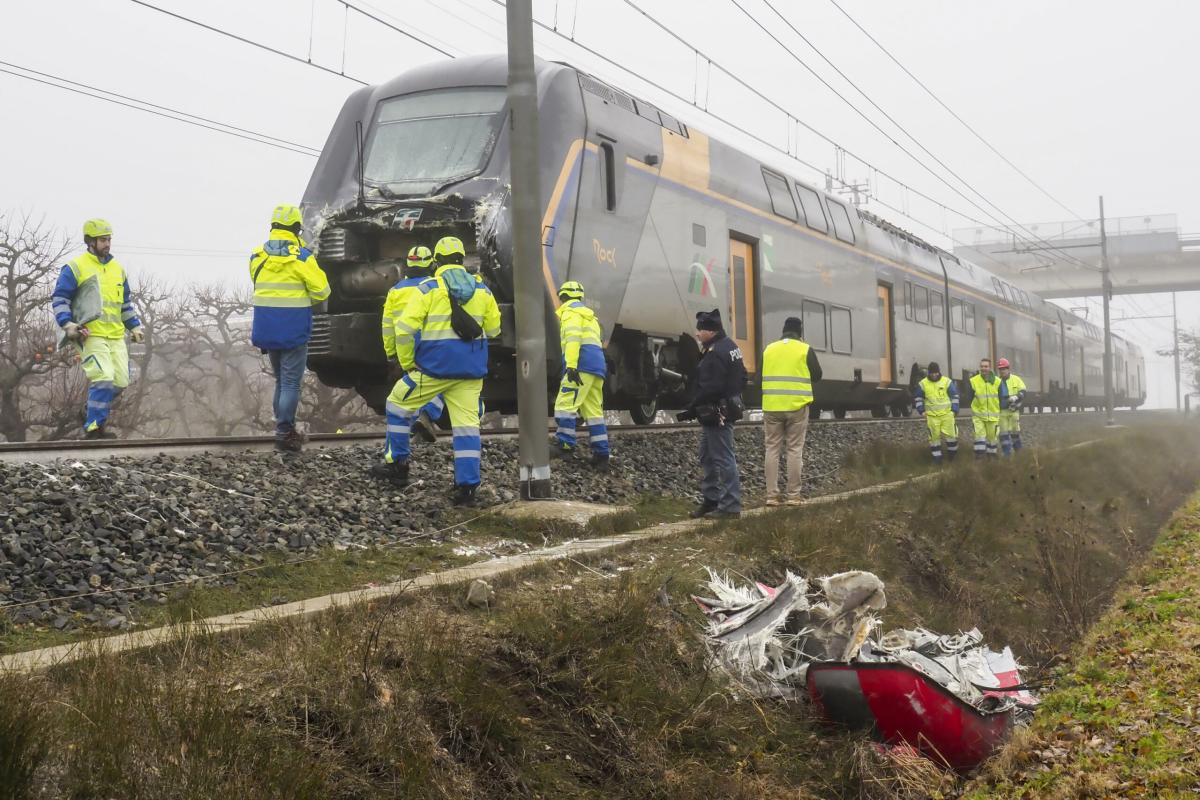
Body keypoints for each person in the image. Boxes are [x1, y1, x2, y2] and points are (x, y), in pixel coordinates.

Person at [370, 236, 501, 506]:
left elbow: (405, 330)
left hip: (432, 371)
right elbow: (495, 330)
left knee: (396, 405)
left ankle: (398, 466)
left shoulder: (429, 289)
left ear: (437, 261)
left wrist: (407, 363)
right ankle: (466, 490)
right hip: (470, 373)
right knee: (467, 428)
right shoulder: (483, 290)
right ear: (461, 259)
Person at [51, 218, 145, 439]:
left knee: (120, 381)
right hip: (89, 335)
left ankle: (89, 411)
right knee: (103, 378)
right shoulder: (75, 267)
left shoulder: (118, 269)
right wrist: (68, 324)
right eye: (103, 239)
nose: (107, 244)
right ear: (90, 241)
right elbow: (60, 298)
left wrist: (134, 326)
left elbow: (125, 304)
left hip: (115, 336)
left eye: (109, 239)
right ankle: (93, 427)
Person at [249, 205, 331, 453]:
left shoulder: (257, 257)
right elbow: (323, 291)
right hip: (294, 329)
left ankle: (282, 428)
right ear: (297, 229)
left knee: (280, 381)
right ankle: (285, 432)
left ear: (272, 227)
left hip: (266, 328)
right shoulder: (303, 258)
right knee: (291, 383)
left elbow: (257, 282)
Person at [676, 309, 747, 519]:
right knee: (707, 456)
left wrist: (692, 406)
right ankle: (712, 500)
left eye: (701, 330)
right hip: (723, 409)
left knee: (724, 458)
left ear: (711, 331)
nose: (697, 334)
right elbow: (742, 377)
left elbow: (710, 387)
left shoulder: (715, 352)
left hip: (717, 413)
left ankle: (730, 506)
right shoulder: (731, 347)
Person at [382, 245, 444, 443]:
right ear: (430, 263)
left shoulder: (395, 291)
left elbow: (387, 327)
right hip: (431, 345)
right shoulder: (434, 286)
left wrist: (391, 353)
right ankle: (426, 417)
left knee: (414, 388)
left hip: (406, 348)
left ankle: (417, 431)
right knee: (439, 383)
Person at [761, 316, 822, 505]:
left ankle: (771, 496)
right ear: (800, 331)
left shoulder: (769, 349)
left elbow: (759, 375)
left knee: (771, 449)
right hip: (797, 407)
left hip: (772, 406)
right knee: (794, 450)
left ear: (783, 330)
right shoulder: (804, 349)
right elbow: (817, 375)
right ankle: (794, 495)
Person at [551, 280, 610, 470]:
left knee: (565, 404)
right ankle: (602, 455)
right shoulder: (590, 316)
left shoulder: (570, 313)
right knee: (593, 412)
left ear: (563, 297)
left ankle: (565, 444)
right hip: (597, 366)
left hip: (581, 364)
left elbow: (573, 340)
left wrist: (571, 366)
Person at [913, 361, 960, 464]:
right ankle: (937, 461)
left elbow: (955, 396)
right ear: (929, 373)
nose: (934, 375)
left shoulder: (947, 382)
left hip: (947, 415)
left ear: (939, 372)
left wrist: (954, 411)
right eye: (932, 373)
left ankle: (952, 459)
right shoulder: (923, 384)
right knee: (934, 440)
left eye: (936, 372)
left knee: (952, 438)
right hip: (932, 416)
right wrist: (921, 411)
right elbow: (918, 398)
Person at [968, 357, 1001, 459]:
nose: (983, 368)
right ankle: (979, 460)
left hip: (993, 417)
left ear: (990, 368)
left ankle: (991, 462)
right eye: (982, 366)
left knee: (992, 441)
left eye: (986, 366)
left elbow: (1003, 397)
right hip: (978, 416)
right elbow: (969, 397)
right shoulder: (973, 381)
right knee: (979, 439)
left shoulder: (998, 382)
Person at [997, 357, 1026, 456]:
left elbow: (1023, 391)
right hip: (1002, 412)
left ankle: (1019, 454)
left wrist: (1016, 397)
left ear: (1008, 369)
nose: (1002, 371)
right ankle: (1007, 455)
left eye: (1004, 369)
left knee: (1015, 435)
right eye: (1000, 369)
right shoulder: (997, 381)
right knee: (1003, 435)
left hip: (1013, 411)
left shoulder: (1016, 379)